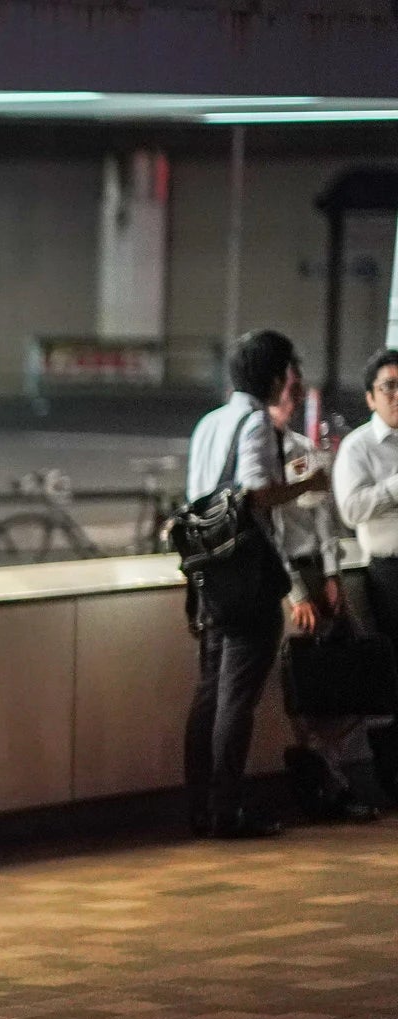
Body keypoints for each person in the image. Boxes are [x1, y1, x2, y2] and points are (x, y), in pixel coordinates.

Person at [183, 330, 330, 840]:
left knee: (209, 694)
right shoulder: (254, 424)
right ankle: (227, 810)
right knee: (236, 699)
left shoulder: (209, 423)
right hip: (246, 576)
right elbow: (257, 494)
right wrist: (308, 484)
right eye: (290, 370)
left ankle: (200, 806)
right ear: (274, 376)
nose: (294, 379)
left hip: (208, 572)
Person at [264, 361, 377, 822]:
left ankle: (339, 780)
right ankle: (323, 784)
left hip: (315, 573)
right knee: (305, 690)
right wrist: (294, 593)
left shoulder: (300, 449)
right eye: (284, 390)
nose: (290, 400)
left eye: (294, 390)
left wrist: (331, 575)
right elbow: (269, 531)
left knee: (344, 683)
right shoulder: (257, 455)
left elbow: (322, 516)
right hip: (286, 578)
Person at [332, 347, 398, 800]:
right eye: (389, 387)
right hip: (389, 572)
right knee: (392, 678)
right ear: (371, 397)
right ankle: (391, 783)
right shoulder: (359, 447)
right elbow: (351, 507)